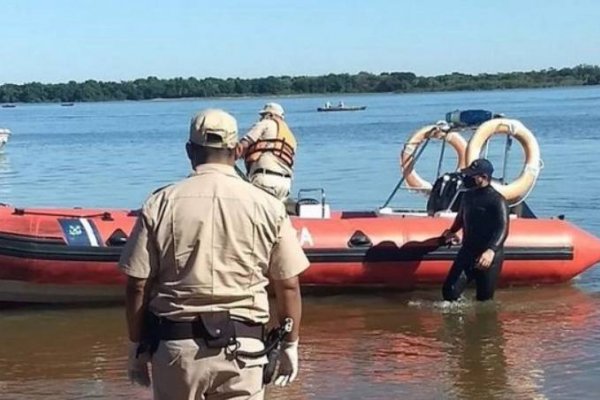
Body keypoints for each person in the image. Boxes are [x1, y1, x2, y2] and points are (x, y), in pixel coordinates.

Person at [119, 108, 310, 400]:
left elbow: (138, 284)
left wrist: (135, 347)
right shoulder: (269, 207)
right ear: (236, 151)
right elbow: (288, 284)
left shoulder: (160, 203)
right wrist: (289, 346)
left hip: (176, 349)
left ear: (189, 151)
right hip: (244, 351)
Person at [441, 158, 509, 302]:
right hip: (468, 251)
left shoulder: (497, 200)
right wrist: (451, 231)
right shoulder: (467, 196)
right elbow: (461, 218)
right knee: (449, 292)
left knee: (484, 300)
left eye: (472, 175)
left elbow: (503, 228)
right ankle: (456, 321)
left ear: (483, 177)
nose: (467, 178)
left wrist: (491, 250)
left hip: (489, 256)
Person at [237, 102, 296, 201]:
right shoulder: (290, 136)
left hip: (265, 180)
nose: (261, 118)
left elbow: (244, 144)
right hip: (285, 185)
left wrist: (226, 155)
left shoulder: (266, 123)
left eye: (263, 115)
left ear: (270, 115)